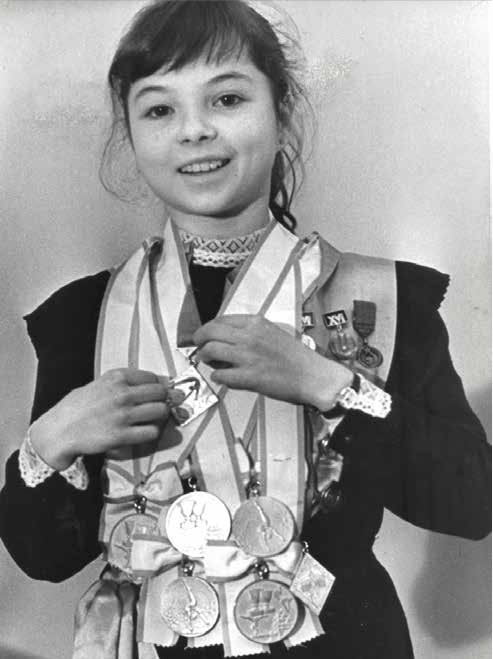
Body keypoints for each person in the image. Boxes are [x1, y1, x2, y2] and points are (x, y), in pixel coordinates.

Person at [0, 1, 491, 658]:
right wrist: (52, 439)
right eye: (159, 109)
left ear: (280, 114)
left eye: (227, 99)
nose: (194, 130)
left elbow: (471, 505)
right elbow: (46, 557)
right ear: (131, 134)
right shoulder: (83, 316)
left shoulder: (378, 298)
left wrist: (332, 385)